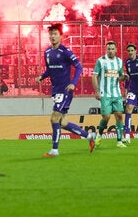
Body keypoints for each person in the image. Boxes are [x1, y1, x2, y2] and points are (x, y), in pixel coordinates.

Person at [35, 23, 95, 157]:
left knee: (54, 118)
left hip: (65, 90)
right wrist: (42, 76)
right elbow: (50, 70)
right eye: (51, 34)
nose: (52, 36)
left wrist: (73, 83)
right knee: (63, 122)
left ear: (61, 36)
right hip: (56, 90)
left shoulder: (65, 51)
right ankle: (89, 136)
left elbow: (79, 67)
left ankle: (54, 150)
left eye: (55, 34)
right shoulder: (47, 52)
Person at [92, 40, 127, 147]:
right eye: (108, 49)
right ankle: (99, 135)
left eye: (112, 49)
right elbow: (94, 76)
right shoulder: (101, 61)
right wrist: (97, 91)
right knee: (106, 117)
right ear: (106, 50)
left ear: (116, 50)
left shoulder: (119, 61)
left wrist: (124, 77)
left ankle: (119, 141)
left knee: (119, 116)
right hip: (105, 94)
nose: (110, 51)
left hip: (116, 94)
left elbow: (120, 76)